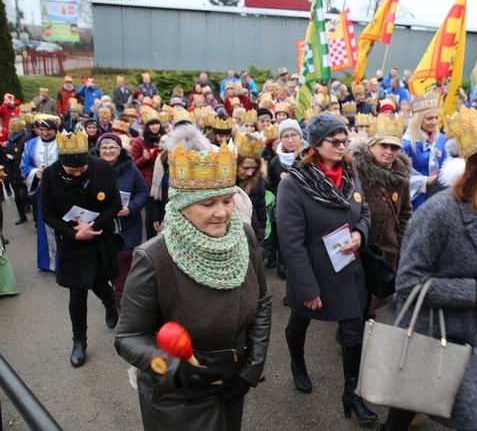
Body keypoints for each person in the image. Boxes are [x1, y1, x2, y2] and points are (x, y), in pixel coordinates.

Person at [115, 126, 271, 430]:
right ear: (182, 206)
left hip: (231, 381)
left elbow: (262, 302)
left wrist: (250, 370)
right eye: (207, 204)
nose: (223, 214)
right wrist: (172, 369)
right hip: (177, 396)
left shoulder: (245, 236)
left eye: (227, 201)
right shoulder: (155, 256)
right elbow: (128, 338)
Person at [379, 107, 477, 431]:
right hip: (434, 339)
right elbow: (408, 283)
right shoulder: (440, 211)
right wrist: (474, 293)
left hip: (465, 336)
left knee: (405, 407)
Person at [276, 113, 377, 425]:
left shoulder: (349, 170)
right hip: (314, 271)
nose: (342, 146)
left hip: (348, 268)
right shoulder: (294, 183)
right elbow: (290, 243)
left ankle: (352, 394)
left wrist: (360, 233)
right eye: (335, 141)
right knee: (300, 322)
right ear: (316, 144)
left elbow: (365, 210)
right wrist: (306, 287)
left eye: (345, 140)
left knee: (353, 332)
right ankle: (297, 361)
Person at [41, 130, 122, 367]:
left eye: (81, 170)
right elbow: (47, 213)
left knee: (99, 282)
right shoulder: (50, 176)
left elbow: (115, 203)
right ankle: (79, 341)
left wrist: (94, 226)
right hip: (72, 242)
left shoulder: (101, 168)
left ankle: (109, 303)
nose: (77, 174)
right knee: (77, 292)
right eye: (72, 171)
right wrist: (74, 233)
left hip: (98, 237)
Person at [350, 114, 412, 313]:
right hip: (359, 247)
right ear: (371, 146)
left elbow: (405, 213)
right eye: (383, 146)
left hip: (388, 249)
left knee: (380, 299)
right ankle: (351, 337)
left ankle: (373, 333)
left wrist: (398, 239)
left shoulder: (401, 176)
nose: (389, 152)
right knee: (356, 297)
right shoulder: (355, 174)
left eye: (394, 147)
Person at [91, 133, 149, 310]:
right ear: (98, 150)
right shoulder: (91, 168)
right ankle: (114, 292)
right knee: (106, 260)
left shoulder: (130, 168)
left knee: (123, 257)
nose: (108, 151)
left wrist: (131, 207)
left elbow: (143, 192)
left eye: (112, 147)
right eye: (104, 147)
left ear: (119, 149)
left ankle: (121, 296)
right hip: (101, 223)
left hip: (127, 225)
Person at [266, 119, 307, 277]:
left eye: (294, 135)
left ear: (300, 136)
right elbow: (271, 184)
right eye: (285, 136)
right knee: (285, 237)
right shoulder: (276, 161)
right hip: (284, 206)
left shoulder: (307, 157)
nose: (290, 140)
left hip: (304, 205)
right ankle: (284, 263)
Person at [20, 114, 60, 271]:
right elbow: (24, 165)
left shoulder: (64, 142)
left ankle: (65, 260)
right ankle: (48, 262)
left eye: (48, 129)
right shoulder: (30, 144)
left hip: (62, 189)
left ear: (55, 129)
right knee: (45, 224)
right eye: (41, 129)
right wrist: (35, 172)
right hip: (42, 190)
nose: (44, 133)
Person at [401, 94, 447, 211]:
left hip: (440, 195)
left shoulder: (441, 139)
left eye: (436, 117)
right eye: (429, 118)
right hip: (417, 199)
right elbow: (400, 176)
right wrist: (425, 181)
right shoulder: (406, 144)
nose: (434, 122)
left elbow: (447, 162)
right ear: (418, 119)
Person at [131, 110, 164, 240]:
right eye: (152, 124)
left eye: (157, 124)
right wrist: (145, 158)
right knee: (151, 213)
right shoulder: (139, 141)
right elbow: (133, 164)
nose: (155, 127)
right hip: (148, 181)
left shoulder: (164, 138)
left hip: (162, 180)